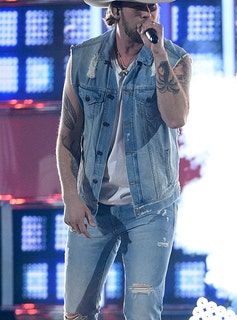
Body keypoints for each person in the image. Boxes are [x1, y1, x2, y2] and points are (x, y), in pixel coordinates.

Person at [55, 0, 191, 318]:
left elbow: (176, 118)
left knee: (143, 311)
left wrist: (157, 53)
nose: (147, 14)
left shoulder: (174, 58)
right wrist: (70, 196)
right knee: (76, 312)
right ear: (116, 10)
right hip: (92, 205)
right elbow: (66, 139)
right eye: (138, 6)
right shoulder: (83, 58)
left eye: (153, 7)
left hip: (150, 208)